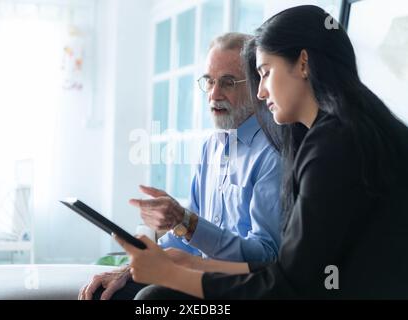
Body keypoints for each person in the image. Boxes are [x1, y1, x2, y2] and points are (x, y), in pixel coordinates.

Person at [115, 5, 408, 299]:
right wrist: (184, 263)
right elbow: (290, 268)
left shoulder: (332, 144)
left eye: (265, 73)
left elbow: (286, 282)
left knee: (154, 300)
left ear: (304, 63)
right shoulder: (348, 130)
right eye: (209, 82)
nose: (261, 92)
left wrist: (174, 274)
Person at [79, 32, 283, 300]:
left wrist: (186, 222)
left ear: (257, 87)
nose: (214, 94)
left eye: (228, 82)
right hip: (194, 276)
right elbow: (186, 239)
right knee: (104, 293)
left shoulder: (273, 152)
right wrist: (133, 267)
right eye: (209, 81)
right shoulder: (211, 148)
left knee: (148, 300)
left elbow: (265, 257)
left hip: (238, 288)